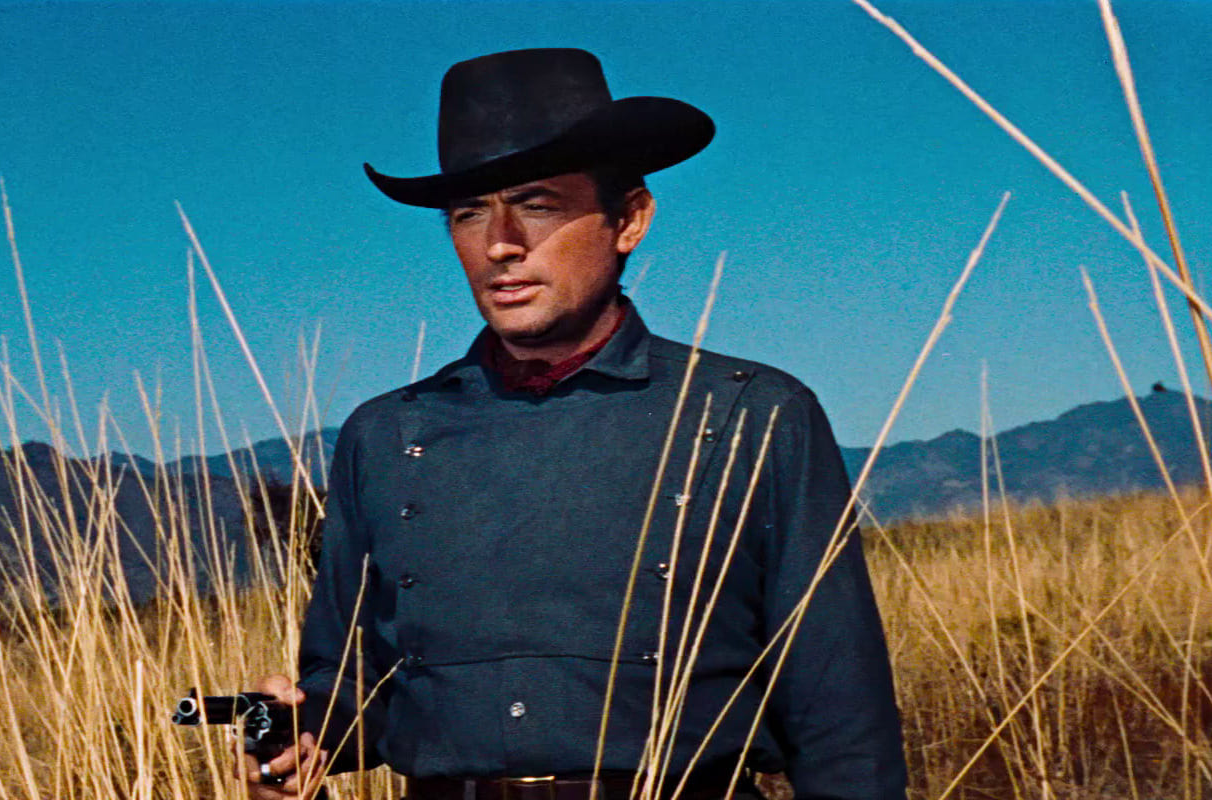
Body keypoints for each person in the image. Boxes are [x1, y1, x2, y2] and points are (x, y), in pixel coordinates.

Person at [244, 48, 906, 800]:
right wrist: (301, 734)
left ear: (629, 219)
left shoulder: (749, 414)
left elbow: (842, 721)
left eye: (537, 204)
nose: (500, 243)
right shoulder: (386, 434)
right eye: (468, 213)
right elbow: (349, 681)